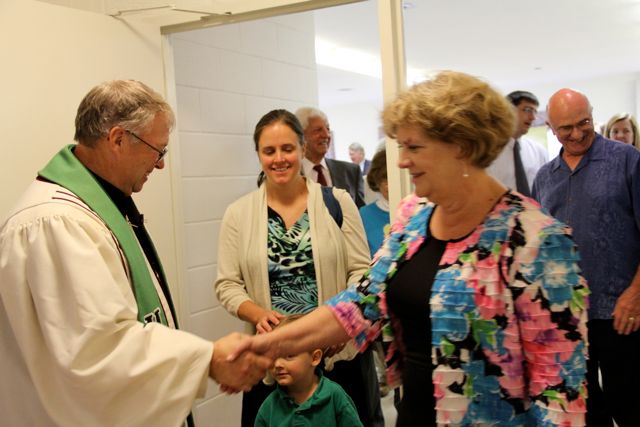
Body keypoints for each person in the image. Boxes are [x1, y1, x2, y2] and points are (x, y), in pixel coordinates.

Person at [230, 71, 590, 427]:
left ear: (462, 146)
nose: (402, 160)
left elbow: (560, 396)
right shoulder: (413, 219)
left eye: (414, 147)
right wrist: (263, 347)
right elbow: (358, 304)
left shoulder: (534, 239)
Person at [0, 80, 271, 426]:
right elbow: (97, 350)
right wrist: (208, 360)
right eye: (158, 151)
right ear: (117, 139)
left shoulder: (98, 205)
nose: (160, 165)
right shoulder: (58, 223)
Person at [214, 109, 383, 427]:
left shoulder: (338, 202)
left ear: (303, 149)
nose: (279, 158)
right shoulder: (238, 214)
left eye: (287, 148)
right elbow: (228, 284)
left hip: (336, 359)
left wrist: (341, 320)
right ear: (258, 154)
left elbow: (362, 272)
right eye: (269, 150)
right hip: (273, 362)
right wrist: (257, 314)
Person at [532, 89, 640, 427]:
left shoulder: (628, 160)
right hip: (568, 317)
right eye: (566, 128)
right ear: (551, 128)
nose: (577, 134)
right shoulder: (544, 178)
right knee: (585, 411)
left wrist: (636, 294)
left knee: (630, 404)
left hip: (621, 310)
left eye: (585, 123)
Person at [255, 314, 363, 427]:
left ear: (315, 358)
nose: (277, 364)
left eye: (289, 355)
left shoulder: (335, 396)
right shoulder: (269, 407)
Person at [296, 107, 366, 207]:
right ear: (301, 135)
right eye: (318, 130)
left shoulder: (351, 172)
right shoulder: (290, 175)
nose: (326, 135)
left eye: (327, 129)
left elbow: (360, 212)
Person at [487, 90, 548, 197]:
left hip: (534, 207)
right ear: (507, 110)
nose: (533, 117)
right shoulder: (487, 151)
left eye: (535, 112)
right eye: (527, 110)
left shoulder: (538, 151)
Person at [358, 148, 390, 258]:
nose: (388, 185)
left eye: (391, 178)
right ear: (376, 181)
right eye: (384, 179)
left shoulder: (417, 210)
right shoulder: (364, 215)